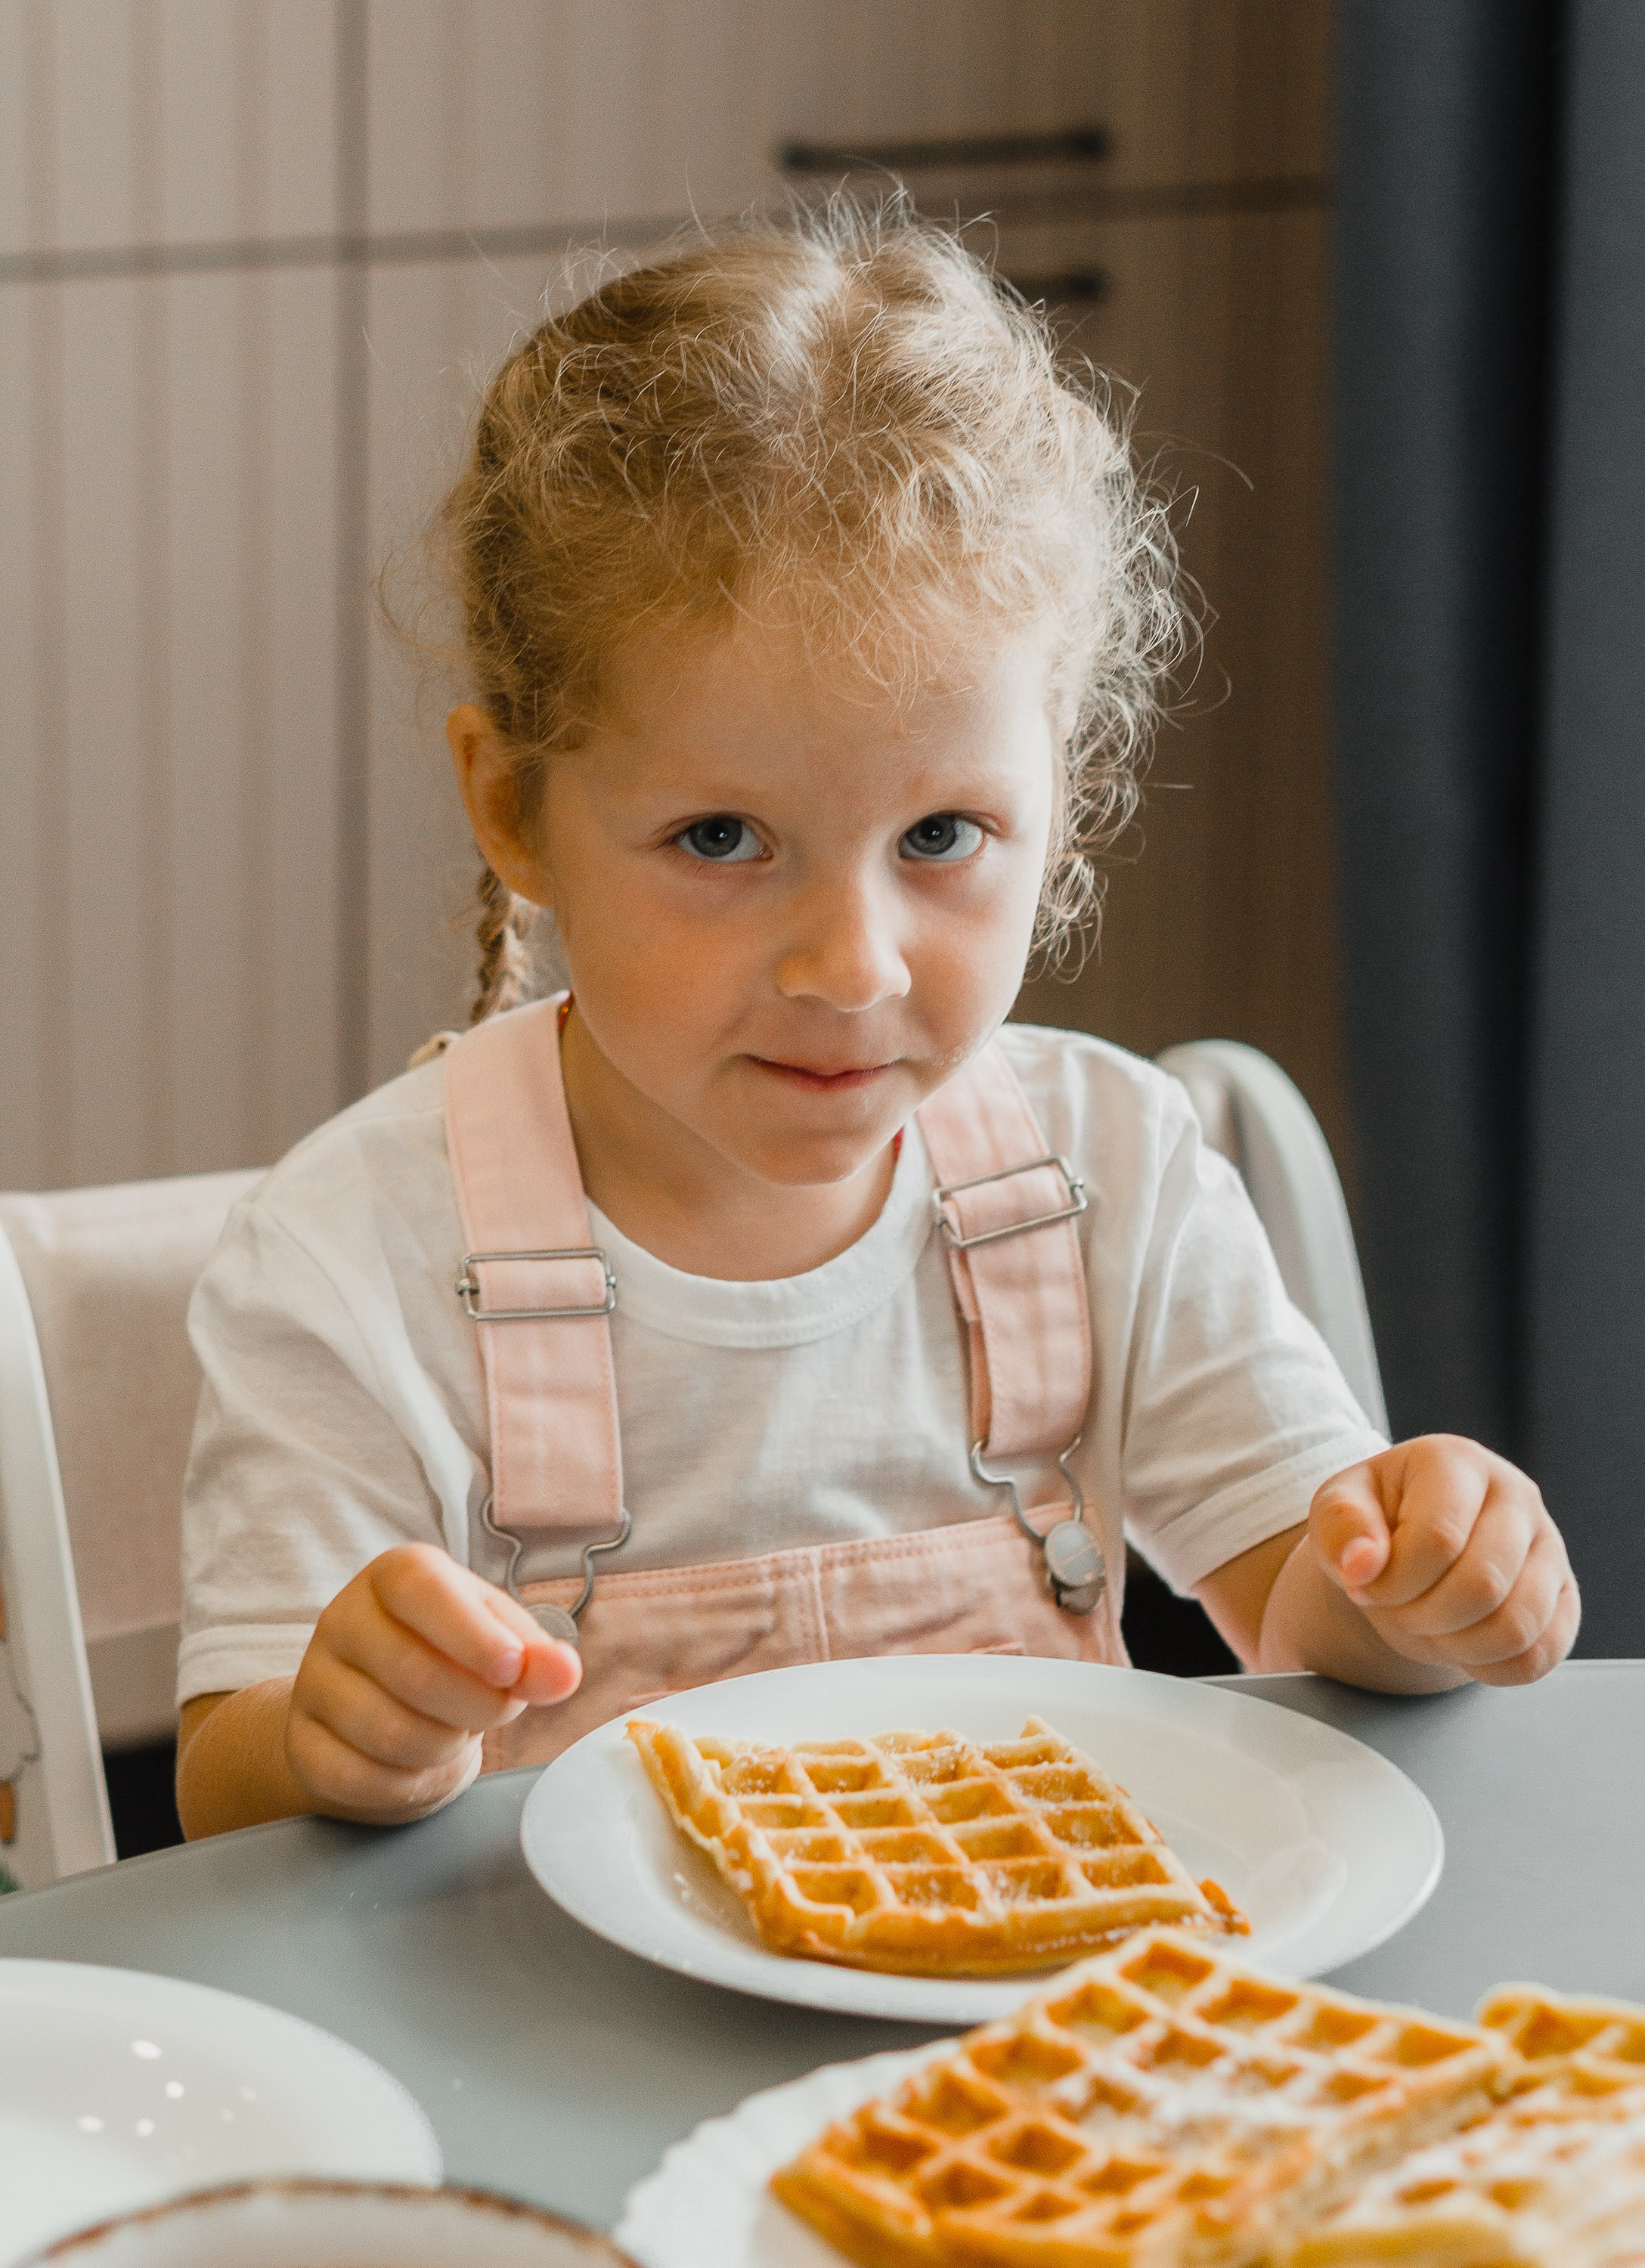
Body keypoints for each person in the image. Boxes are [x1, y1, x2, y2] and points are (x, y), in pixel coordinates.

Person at [174, 206, 1578, 1839]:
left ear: (1064, 797)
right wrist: (353, 1735)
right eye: (718, 840)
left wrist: (1417, 1587)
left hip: (1030, 2054)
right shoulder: (352, 1257)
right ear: (512, 808)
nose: (851, 967)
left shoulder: (1103, 1166)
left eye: (938, 840)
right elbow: (229, 1792)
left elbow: (1301, 1608)